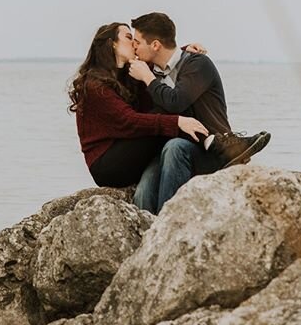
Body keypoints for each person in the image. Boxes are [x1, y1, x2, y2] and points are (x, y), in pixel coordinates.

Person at [128, 11, 271, 212]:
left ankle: (171, 226)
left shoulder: (198, 64)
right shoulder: (152, 72)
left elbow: (176, 101)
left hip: (212, 150)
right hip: (172, 148)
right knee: (143, 192)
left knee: (175, 148)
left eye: (137, 42)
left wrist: (147, 78)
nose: (134, 46)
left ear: (155, 45)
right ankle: (151, 238)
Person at [68, 22, 209, 213]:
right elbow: (130, 121)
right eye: (128, 38)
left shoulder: (126, 75)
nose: (135, 44)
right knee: (168, 114)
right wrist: (178, 121)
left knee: (163, 109)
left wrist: (181, 53)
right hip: (107, 162)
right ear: (113, 44)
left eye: (136, 40)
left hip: (129, 148)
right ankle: (213, 147)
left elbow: (157, 57)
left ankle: (159, 213)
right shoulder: (95, 85)